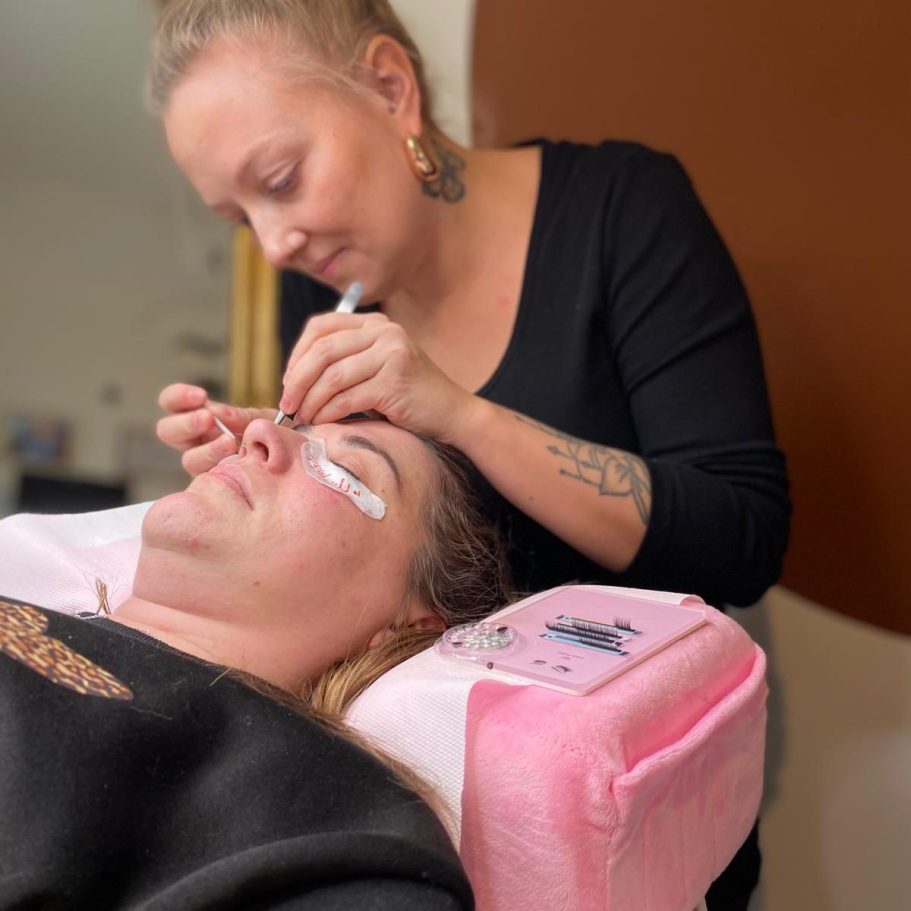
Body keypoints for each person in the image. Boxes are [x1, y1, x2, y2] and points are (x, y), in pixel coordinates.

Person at [149, 2, 791, 906]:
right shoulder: (326, 289)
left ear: (390, 88)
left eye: (282, 180)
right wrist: (272, 453)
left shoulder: (619, 209)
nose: (275, 242)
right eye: (237, 217)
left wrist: (462, 415)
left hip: (628, 803)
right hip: (431, 807)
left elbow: (742, 538)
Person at [0, 417, 508, 909]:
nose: (259, 433)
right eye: (296, 431)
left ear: (405, 627)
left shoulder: (333, 832)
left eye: (346, 470)